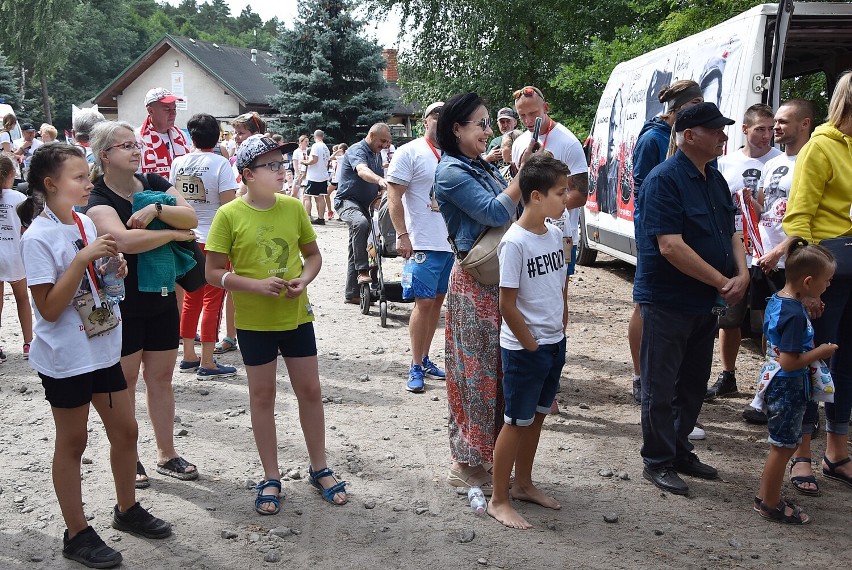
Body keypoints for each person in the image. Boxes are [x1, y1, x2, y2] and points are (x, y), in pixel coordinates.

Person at [19, 143, 171, 569]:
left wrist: (112, 269)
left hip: (103, 346)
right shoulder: (38, 237)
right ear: (51, 185)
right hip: (67, 357)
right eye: (79, 178)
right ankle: (77, 532)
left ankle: (127, 509)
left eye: (88, 176)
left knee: (125, 431)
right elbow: (48, 308)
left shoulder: (85, 222)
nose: (89, 184)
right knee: (73, 442)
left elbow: (96, 280)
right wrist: (83, 260)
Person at [205, 135, 347, 514]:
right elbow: (212, 272)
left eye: (283, 164)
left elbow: (312, 256)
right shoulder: (229, 215)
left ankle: (320, 467)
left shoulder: (293, 208)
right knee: (262, 397)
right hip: (253, 324)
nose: (282, 170)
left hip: (295, 316)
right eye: (272, 166)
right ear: (248, 175)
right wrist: (253, 285)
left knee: (311, 391)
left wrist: (305, 279)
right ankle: (271, 475)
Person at [634, 102, 748, 495]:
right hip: (668, 300)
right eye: (715, 130)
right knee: (660, 385)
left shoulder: (713, 178)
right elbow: (670, 246)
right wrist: (722, 280)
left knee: (694, 383)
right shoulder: (663, 180)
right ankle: (658, 460)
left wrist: (743, 272)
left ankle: (680, 450)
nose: (724, 136)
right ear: (689, 136)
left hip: (704, 302)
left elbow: (731, 230)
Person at [85, 121, 200, 488]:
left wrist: (155, 213)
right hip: (122, 303)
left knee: (162, 379)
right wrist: (172, 233)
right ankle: (128, 456)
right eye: (125, 146)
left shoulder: (153, 183)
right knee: (126, 382)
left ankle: (166, 453)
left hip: (161, 295)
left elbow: (192, 216)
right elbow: (123, 241)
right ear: (105, 155)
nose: (136, 150)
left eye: (136, 144)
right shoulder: (98, 198)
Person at [433, 93, 523, 493]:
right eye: (481, 124)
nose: (489, 131)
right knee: (475, 374)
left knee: (498, 371)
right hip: (475, 287)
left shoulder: (473, 166)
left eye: (489, 123)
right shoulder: (451, 172)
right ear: (457, 128)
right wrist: (524, 177)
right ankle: (465, 463)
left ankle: (488, 459)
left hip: (495, 284)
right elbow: (496, 212)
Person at [488, 153, 569, 529]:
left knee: (537, 416)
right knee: (515, 422)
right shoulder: (514, 242)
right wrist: (531, 343)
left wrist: (561, 324)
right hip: (525, 349)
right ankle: (498, 498)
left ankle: (523, 484)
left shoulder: (554, 233)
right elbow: (507, 303)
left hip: (555, 342)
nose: (566, 198)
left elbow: (559, 284)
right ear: (535, 196)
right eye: (560, 191)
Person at [783, 71, 852, 492]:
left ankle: (837, 451)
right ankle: (801, 454)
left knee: (847, 362)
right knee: (815, 363)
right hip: (828, 273)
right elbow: (799, 218)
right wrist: (804, 289)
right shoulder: (821, 147)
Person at [749, 238, 836, 525]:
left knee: (782, 444)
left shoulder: (779, 300)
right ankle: (771, 504)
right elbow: (789, 361)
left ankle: (766, 495)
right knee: (784, 446)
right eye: (826, 281)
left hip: (778, 381)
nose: (828, 286)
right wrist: (820, 352)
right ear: (808, 281)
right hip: (788, 385)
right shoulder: (794, 314)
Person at [628, 80, 704, 404]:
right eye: (696, 104)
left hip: (673, 232)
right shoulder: (652, 139)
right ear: (680, 108)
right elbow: (645, 192)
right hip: (653, 233)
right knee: (645, 305)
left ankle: (666, 378)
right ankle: (640, 376)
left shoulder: (675, 135)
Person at [742, 100, 816, 431]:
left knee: (797, 335)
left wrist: (781, 252)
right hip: (766, 259)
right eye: (775, 123)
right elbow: (769, 206)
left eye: (784, 122)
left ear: (805, 124)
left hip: (793, 261)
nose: (777, 128)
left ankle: (804, 405)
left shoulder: (811, 160)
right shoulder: (774, 162)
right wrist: (749, 204)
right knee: (767, 329)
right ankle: (770, 393)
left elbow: (809, 216)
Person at [706, 104, 782, 401]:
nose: (767, 135)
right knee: (729, 317)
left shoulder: (782, 160)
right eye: (760, 129)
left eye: (770, 128)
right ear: (745, 130)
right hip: (735, 249)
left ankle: (773, 377)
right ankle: (728, 375)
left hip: (769, 252)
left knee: (771, 317)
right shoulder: (726, 163)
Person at [386, 101, 452, 393]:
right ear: (425, 120)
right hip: (422, 239)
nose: (440, 119)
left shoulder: (454, 153)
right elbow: (394, 197)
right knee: (422, 303)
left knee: (437, 303)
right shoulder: (409, 152)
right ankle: (414, 364)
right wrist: (402, 235)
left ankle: (425, 358)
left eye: (445, 115)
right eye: (435, 115)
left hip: (450, 244)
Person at [169, 113, 238, 379]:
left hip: (187, 236)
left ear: (191, 136)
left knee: (190, 298)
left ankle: (188, 355)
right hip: (214, 238)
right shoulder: (220, 164)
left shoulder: (179, 163)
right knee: (213, 300)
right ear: (218, 136)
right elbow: (229, 205)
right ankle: (207, 361)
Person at [215, 112, 269, 356]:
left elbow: (246, 191)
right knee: (236, 281)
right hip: (242, 222)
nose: (236, 138)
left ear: (255, 133)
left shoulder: (263, 159)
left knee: (265, 274)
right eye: (236, 133)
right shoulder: (239, 156)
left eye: (241, 133)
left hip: (257, 224)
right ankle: (231, 334)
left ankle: (267, 332)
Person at [334, 123, 392, 303]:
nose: (384, 145)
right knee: (361, 224)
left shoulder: (376, 154)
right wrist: (380, 180)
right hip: (347, 201)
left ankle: (352, 293)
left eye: (387, 142)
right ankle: (362, 271)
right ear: (371, 135)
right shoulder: (356, 150)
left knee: (358, 243)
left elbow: (376, 188)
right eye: (382, 140)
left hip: (365, 205)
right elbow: (362, 171)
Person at [0, 155, 33, 362]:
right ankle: (28, 343)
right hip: (13, 255)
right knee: (22, 300)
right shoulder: (18, 198)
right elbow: (25, 228)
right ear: (11, 175)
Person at [138, 88, 190, 177]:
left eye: (174, 109)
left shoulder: (181, 136)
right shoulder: (138, 138)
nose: (173, 114)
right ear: (150, 111)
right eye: (167, 109)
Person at [301, 129, 331, 224]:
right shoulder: (325, 147)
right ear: (323, 136)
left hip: (314, 176)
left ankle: (307, 217)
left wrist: (304, 162)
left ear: (314, 136)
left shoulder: (315, 146)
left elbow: (314, 160)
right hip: (323, 175)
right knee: (320, 197)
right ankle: (321, 218)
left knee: (306, 196)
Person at [1, 114, 22, 184]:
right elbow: (7, 152)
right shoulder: (5, 134)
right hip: (5, 162)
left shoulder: (4, 133)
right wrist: (17, 157)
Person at [292, 135, 310, 200]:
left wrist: (305, 173)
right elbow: (295, 164)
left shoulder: (308, 150)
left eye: (308, 141)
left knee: (305, 194)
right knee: (294, 192)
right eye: (305, 141)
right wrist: (298, 174)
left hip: (307, 173)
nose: (307, 143)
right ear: (301, 142)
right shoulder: (296, 151)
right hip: (299, 173)